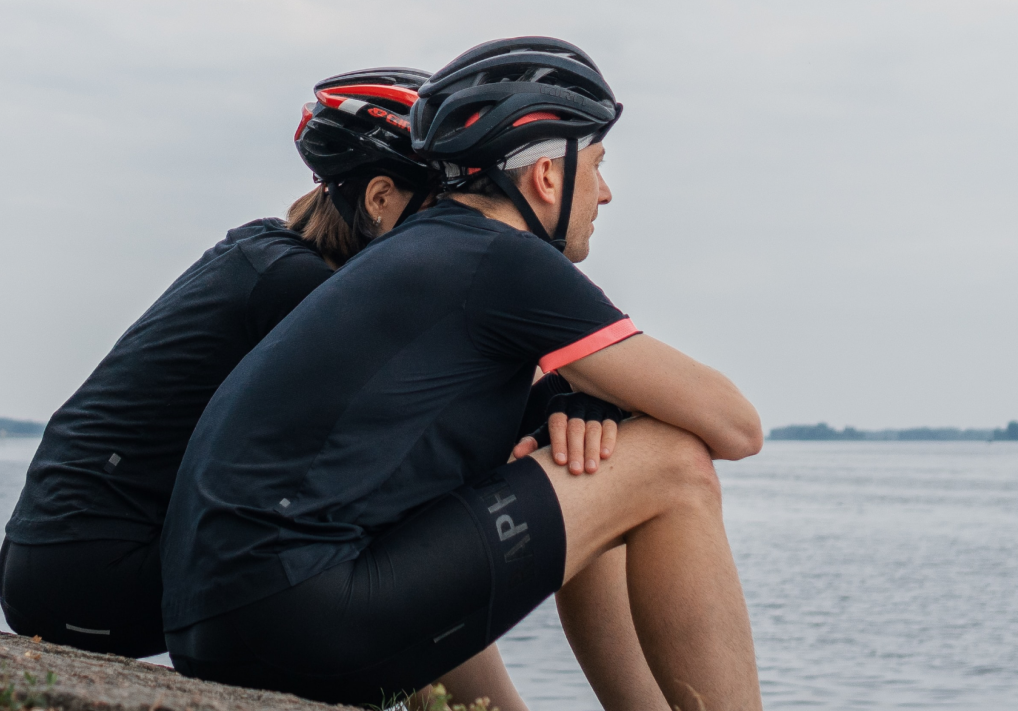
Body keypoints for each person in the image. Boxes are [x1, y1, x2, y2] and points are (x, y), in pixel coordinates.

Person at [162, 37, 767, 711]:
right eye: (595, 165)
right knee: (673, 464)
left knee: (594, 466)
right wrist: (598, 404)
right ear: (547, 176)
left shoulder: (421, 251)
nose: (606, 192)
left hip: (224, 623)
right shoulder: (505, 259)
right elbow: (735, 425)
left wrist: (580, 406)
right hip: (299, 613)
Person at [0, 66, 620, 670]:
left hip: (56, 566)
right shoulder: (299, 289)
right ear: (380, 198)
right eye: (444, 205)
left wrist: (572, 398)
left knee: (397, 506)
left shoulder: (270, 257)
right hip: (92, 581)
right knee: (409, 514)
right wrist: (575, 398)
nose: (458, 230)